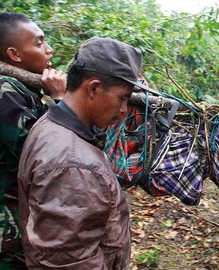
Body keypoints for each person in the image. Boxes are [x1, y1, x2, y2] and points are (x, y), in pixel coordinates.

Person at [17, 37, 145, 269]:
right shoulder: (73, 163)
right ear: (94, 88)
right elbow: (70, 261)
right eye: (123, 98)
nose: (125, 110)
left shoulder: (52, 123)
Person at [0, 12, 66, 269]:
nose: (49, 50)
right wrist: (60, 101)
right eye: (39, 43)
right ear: (15, 54)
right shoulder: (1, 89)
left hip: (29, 218)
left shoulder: (24, 90)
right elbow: (39, 151)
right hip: (11, 225)